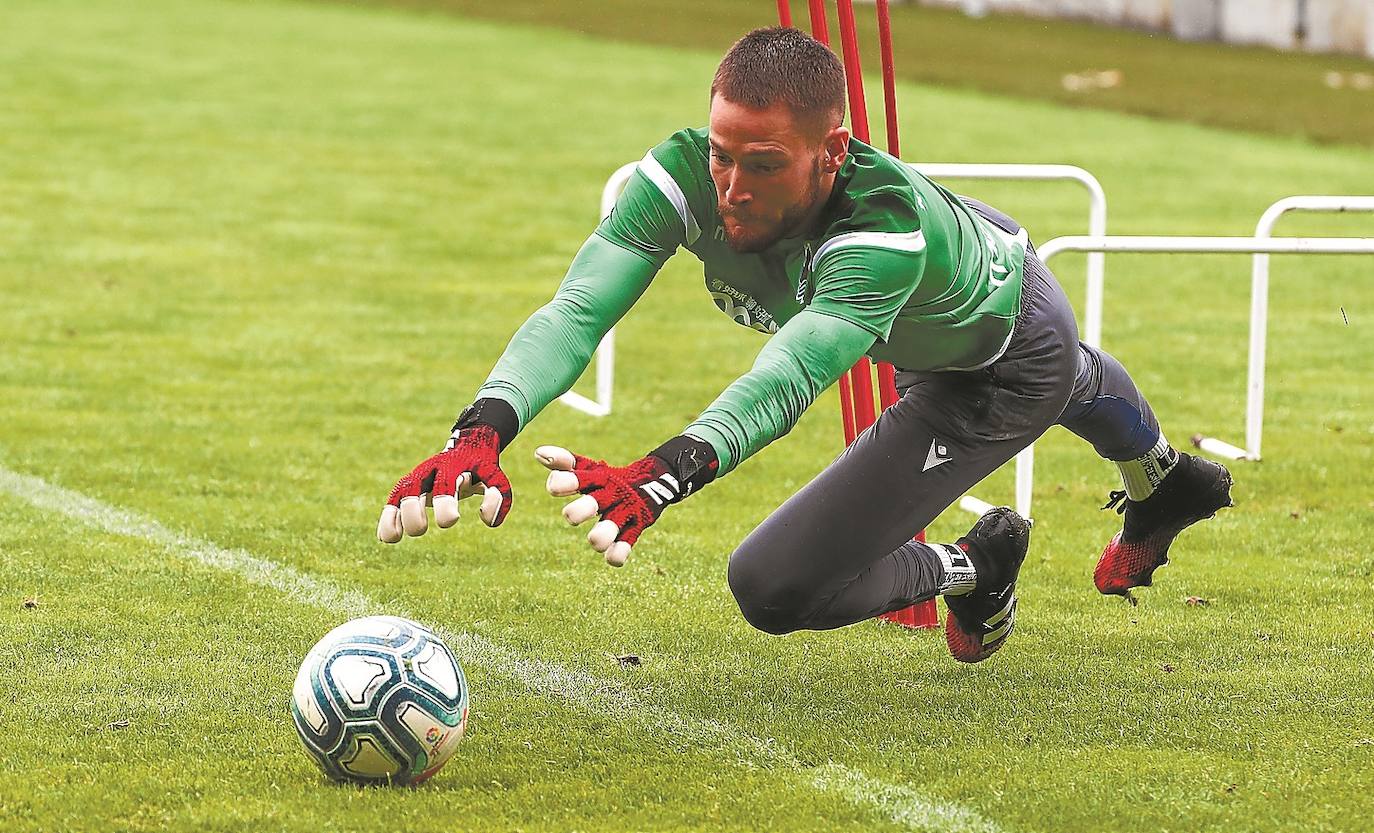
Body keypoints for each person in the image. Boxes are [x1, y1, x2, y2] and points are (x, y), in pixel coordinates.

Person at [376, 27, 1233, 663]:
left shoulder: (876, 235)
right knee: (1062, 369)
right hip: (958, 292)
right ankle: (1168, 480)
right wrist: (480, 429)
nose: (733, 189)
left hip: (994, 364)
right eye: (722, 156)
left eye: (764, 164)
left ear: (832, 153)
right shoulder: (679, 178)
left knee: (775, 583)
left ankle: (978, 559)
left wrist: (666, 469)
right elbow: (574, 311)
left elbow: (791, 374)